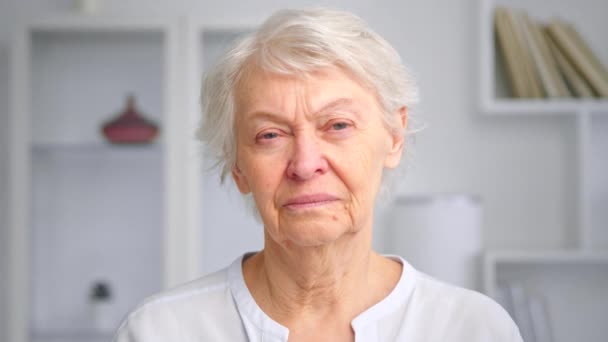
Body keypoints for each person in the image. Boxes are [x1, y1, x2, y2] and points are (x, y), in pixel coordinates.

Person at [114, 8, 522, 342]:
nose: (306, 163)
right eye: (270, 134)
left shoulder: (475, 329)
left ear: (394, 137)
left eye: (338, 125)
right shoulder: (159, 331)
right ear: (238, 166)